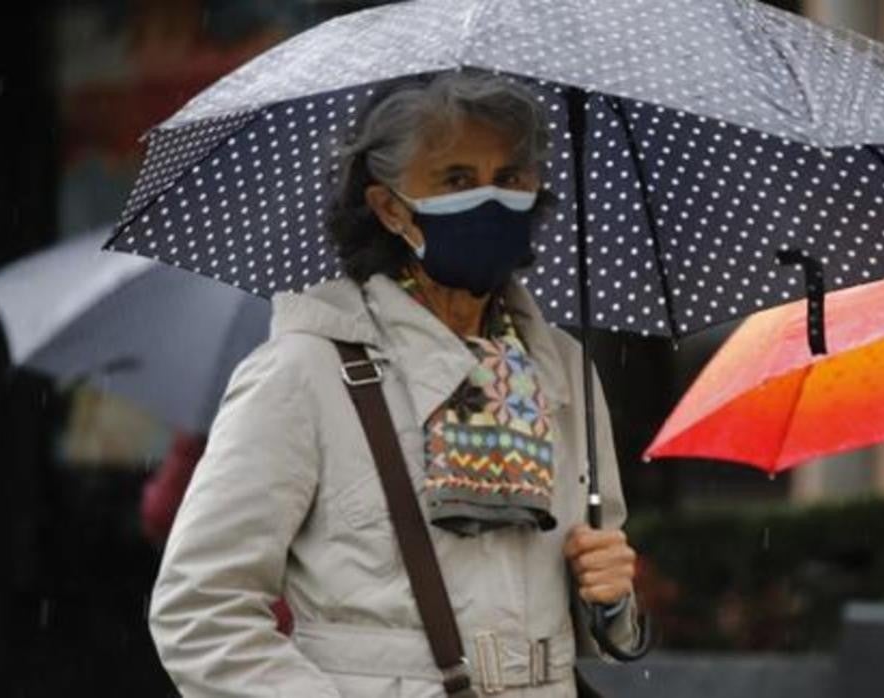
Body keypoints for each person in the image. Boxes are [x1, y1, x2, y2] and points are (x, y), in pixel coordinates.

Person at [148, 70, 641, 697]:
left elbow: (590, 619)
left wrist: (612, 595)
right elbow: (199, 613)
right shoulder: (303, 372)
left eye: (511, 177)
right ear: (389, 207)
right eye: (457, 179)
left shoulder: (563, 367)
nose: (491, 201)